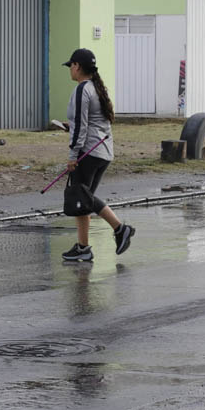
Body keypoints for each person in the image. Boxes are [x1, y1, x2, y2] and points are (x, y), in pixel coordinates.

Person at [59, 48, 135, 262]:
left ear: (77, 66)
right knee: (84, 198)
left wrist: (73, 155)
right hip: (102, 150)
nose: (70, 71)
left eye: (70, 66)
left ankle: (120, 228)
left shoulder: (83, 89)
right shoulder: (97, 87)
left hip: (88, 152)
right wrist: (70, 127)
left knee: (83, 197)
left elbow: (83, 127)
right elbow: (92, 123)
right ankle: (84, 247)